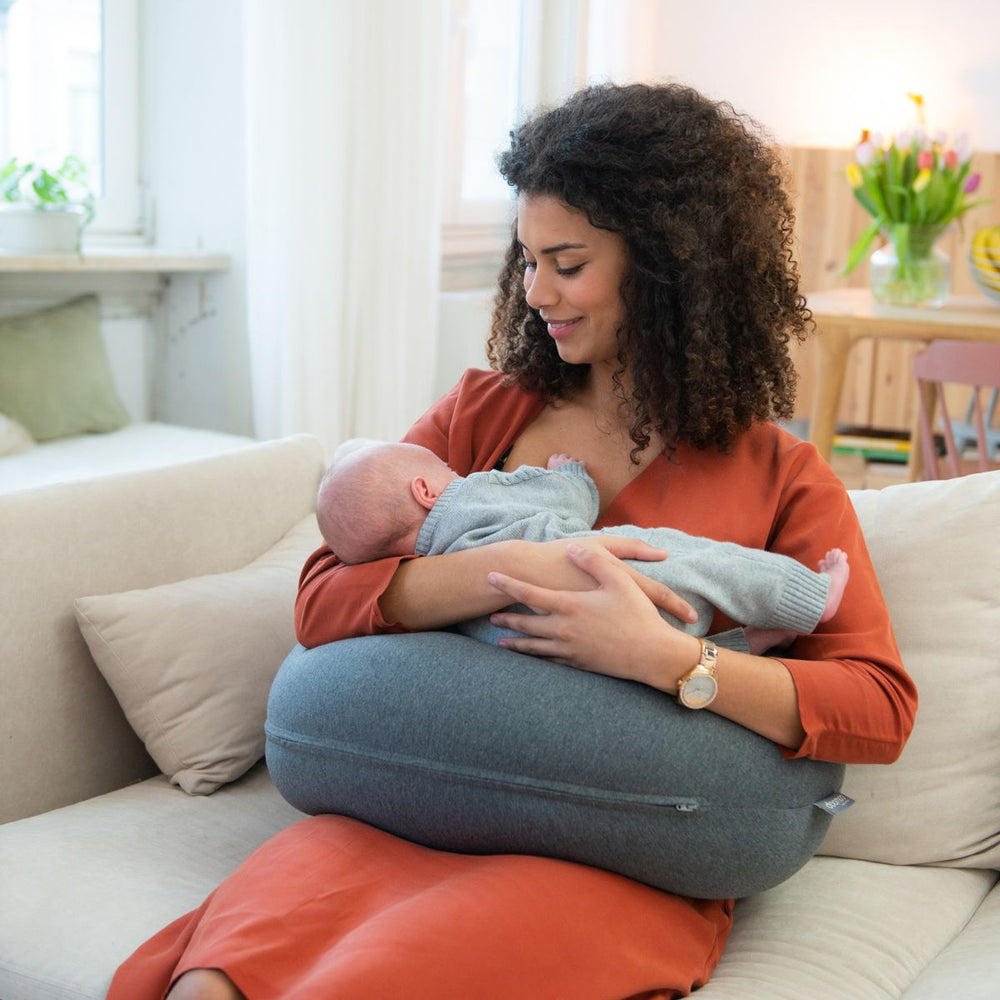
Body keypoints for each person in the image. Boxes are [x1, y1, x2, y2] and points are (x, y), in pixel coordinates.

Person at [109, 82, 916, 1000]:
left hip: (615, 846)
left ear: (666, 266)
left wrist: (665, 660)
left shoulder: (781, 474)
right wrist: (505, 572)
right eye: (527, 260)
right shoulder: (483, 414)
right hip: (423, 800)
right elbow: (325, 601)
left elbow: (875, 706)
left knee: (386, 975)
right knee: (225, 971)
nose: (535, 293)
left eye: (567, 263)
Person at [315, 439, 851, 655]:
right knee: (701, 560)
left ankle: (759, 638)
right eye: (446, 470)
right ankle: (805, 597)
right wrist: (567, 473)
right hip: (609, 571)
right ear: (427, 490)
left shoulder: (431, 579)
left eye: (567, 264)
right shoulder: (469, 493)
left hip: (550, 639)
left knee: (656, 665)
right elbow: (570, 503)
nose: (459, 472)